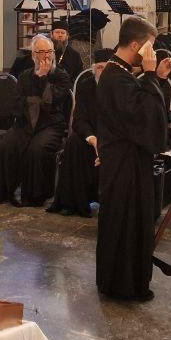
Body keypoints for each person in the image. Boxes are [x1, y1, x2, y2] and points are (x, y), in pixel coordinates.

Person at [95, 17, 171, 302]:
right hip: (124, 164)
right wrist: (151, 76)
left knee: (128, 221)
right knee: (125, 222)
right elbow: (144, 118)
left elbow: (139, 105)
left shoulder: (119, 73)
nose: (151, 53)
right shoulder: (117, 77)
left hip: (126, 161)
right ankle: (123, 286)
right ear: (134, 45)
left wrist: (157, 78)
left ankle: (121, 281)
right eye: (149, 47)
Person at [0, 35, 73, 207]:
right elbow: (17, 103)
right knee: (6, 146)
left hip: (51, 125)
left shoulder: (61, 76)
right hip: (25, 123)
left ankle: (34, 196)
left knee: (36, 149)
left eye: (49, 51)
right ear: (34, 55)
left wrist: (42, 78)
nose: (46, 56)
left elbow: (53, 101)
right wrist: (35, 101)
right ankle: (3, 192)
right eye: (41, 52)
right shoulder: (25, 76)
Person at [50, 49, 112, 217]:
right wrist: (92, 139)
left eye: (107, 68)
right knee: (73, 143)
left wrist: (104, 141)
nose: (103, 72)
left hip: (112, 137)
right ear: (94, 69)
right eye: (100, 68)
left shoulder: (119, 87)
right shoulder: (86, 85)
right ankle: (73, 202)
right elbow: (79, 119)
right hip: (90, 134)